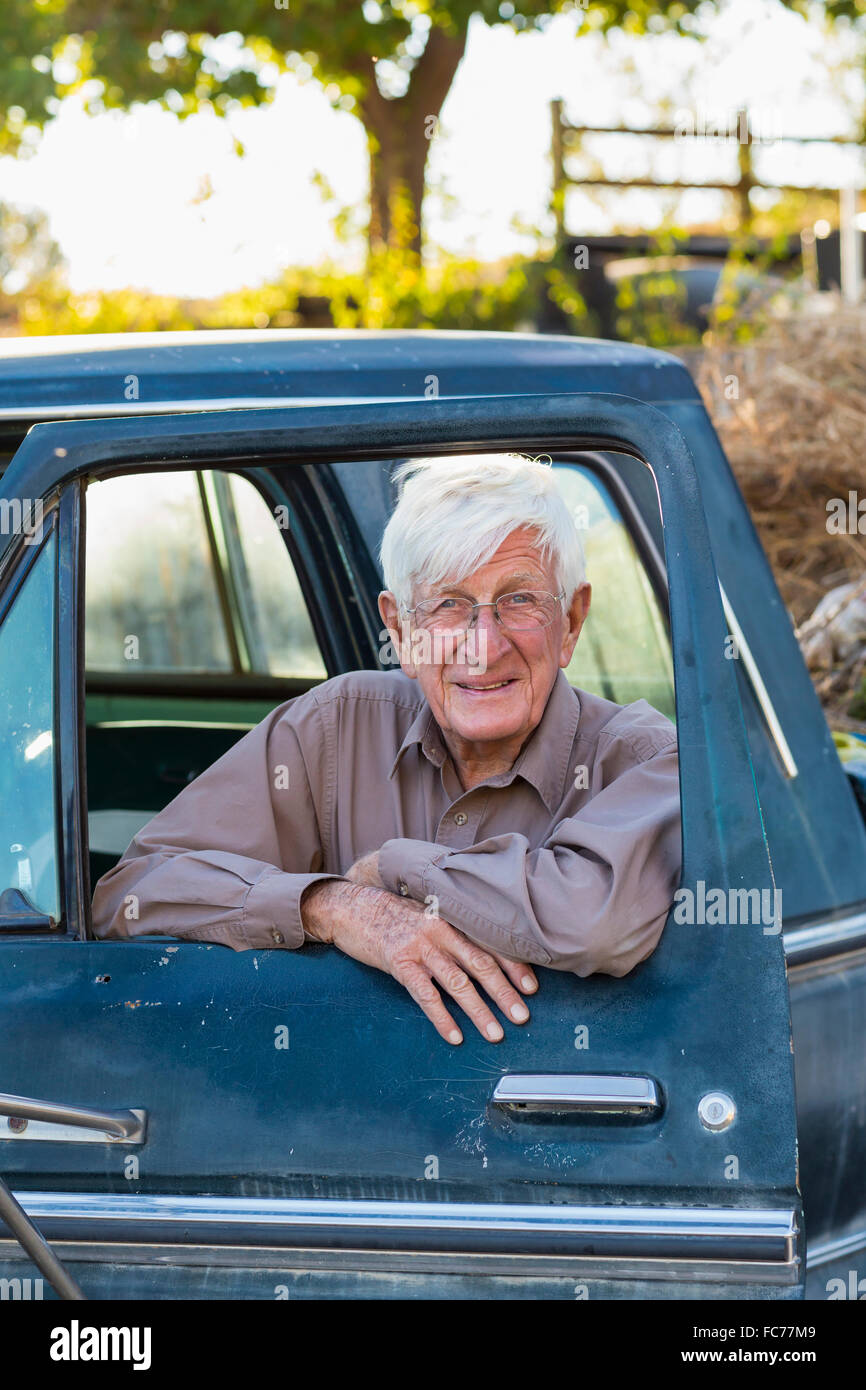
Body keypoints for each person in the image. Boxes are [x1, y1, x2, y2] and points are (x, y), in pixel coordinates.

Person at [92, 454, 681, 1045]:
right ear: (399, 631)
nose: (484, 645)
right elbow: (134, 894)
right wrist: (333, 907)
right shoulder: (335, 724)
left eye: (519, 600)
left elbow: (591, 921)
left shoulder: (645, 761)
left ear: (572, 622)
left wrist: (392, 871)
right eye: (448, 604)